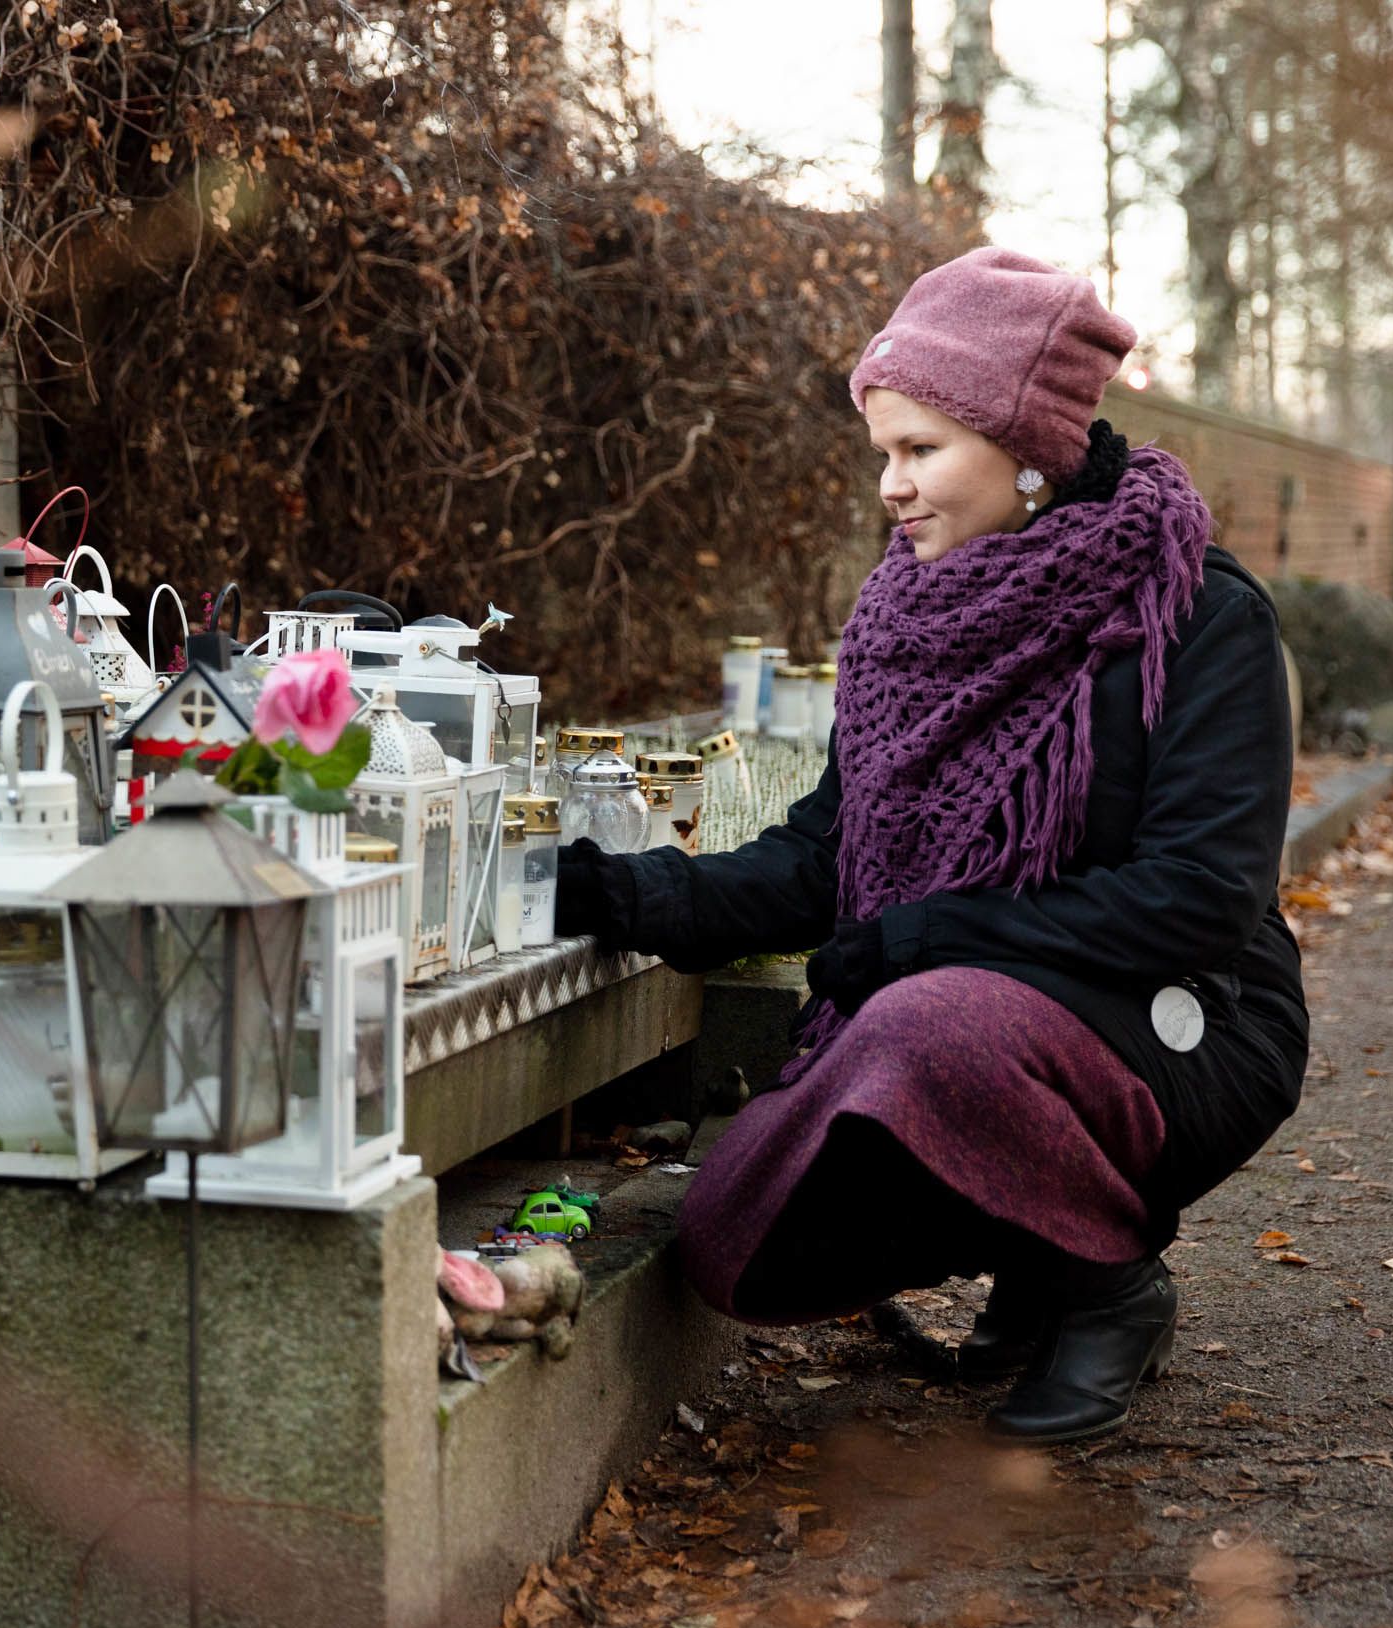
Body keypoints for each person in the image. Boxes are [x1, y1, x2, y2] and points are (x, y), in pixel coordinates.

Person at [557, 248, 1309, 1445]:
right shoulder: (908, 616)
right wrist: (615, 893)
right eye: (882, 456)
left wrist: (934, 934)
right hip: (976, 1021)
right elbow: (823, 858)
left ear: (1026, 450)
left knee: (924, 1018)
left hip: (1190, 1018)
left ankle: (1106, 1286)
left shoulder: (1195, 613)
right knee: (734, 1225)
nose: (891, 490)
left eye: (920, 452)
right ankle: (1041, 1242)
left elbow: (1200, 898)